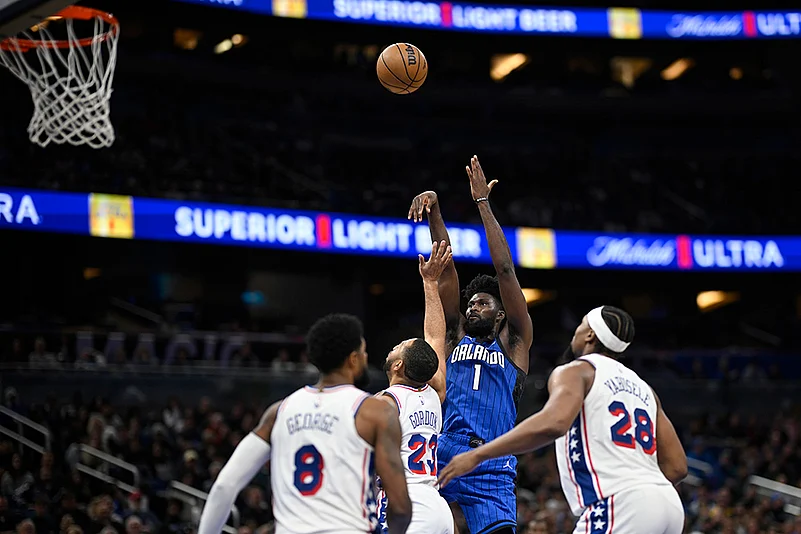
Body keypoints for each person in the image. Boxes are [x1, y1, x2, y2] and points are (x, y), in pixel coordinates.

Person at [438, 306, 687, 534]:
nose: (576, 331)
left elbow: (554, 423)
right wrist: (647, 492)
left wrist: (479, 455)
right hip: (669, 506)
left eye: (581, 324)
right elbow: (677, 467)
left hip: (620, 502)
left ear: (590, 335)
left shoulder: (577, 370)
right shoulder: (645, 388)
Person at [408, 156, 534, 534]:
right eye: (471, 303)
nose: (473, 306)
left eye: (483, 303)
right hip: (443, 448)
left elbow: (505, 271)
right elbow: (444, 267)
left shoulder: (514, 343)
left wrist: (483, 204)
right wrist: (435, 211)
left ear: (501, 315)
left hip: (493, 462)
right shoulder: (455, 336)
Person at [198, 313, 412, 534]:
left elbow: (224, 486)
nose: (366, 358)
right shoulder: (375, 412)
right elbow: (400, 507)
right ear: (353, 359)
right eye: (364, 352)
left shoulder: (278, 411)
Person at [376, 241, 454, 534]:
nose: (393, 347)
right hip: (436, 505)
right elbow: (435, 339)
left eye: (398, 347)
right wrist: (430, 283)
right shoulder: (436, 392)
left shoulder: (384, 402)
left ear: (398, 366)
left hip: (405, 504)